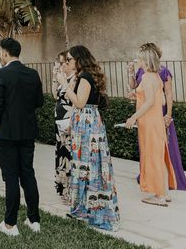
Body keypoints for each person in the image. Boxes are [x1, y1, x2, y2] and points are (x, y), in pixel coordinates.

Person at [0, 37, 43, 237]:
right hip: (28, 131)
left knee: (11, 176)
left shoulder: (1, 74)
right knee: (28, 173)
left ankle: (10, 224)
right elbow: (39, 102)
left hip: (6, 133)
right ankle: (33, 219)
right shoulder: (32, 73)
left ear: (4, 53)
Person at [64, 45, 119, 231]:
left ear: (79, 59)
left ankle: (95, 210)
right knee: (85, 164)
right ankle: (83, 208)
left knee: (90, 164)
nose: (68, 62)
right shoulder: (85, 76)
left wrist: (64, 84)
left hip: (87, 124)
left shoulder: (86, 77)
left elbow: (80, 102)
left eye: (70, 59)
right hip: (87, 122)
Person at [129, 43, 186, 191]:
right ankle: (151, 178)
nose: (138, 59)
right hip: (147, 113)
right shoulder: (143, 71)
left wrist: (168, 114)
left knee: (165, 148)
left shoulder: (162, 72)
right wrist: (131, 72)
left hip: (156, 113)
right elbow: (134, 87)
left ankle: (169, 181)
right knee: (149, 148)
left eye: (141, 56)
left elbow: (167, 94)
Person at [125, 47, 175, 206]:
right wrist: (138, 94)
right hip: (156, 121)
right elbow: (161, 101)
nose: (137, 61)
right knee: (159, 156)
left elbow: (151, 102)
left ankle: (159, 196)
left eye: (139, 59)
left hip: (149, 122)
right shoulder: (156, 77)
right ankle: (164, 193)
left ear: (145, 61)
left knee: (153, 156)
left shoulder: (147, 77)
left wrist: (133, 117)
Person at [52, 51, 74, 204]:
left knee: (68, 155)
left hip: (68, 121)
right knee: (61, 153)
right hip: (60, 122)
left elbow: (73, 100)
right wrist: (55, 79)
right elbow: (55, 95)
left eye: (63, 62)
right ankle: (63, 188)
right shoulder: (63, 78)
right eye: (59, 62)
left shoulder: (74, 79)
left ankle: (70, 191)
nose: (61, 65)